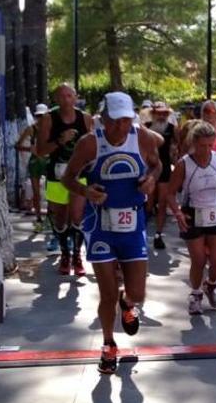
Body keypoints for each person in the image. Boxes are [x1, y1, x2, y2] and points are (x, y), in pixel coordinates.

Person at [61, 91, 162, 375]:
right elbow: (67, 177)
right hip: (100, 226)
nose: (120, 127)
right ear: (103, 118)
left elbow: (157, 164)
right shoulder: (90, 143)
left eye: (126, 120)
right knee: (106, 293)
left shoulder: (142, 137)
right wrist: (85, 190)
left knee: (138, 292)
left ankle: (128, 304)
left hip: (133, 225)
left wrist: (151, 179)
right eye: (115, 121)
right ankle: (108, 344)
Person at [167, 120, 216, 315]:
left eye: (209, 145)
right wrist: (178, 212)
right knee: (198, 260)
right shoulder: (184, 164)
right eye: (201, 145)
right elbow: (170, 193)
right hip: (193, 212)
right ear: (193, 143)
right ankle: (196, 293)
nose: (206, 150)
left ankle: (211, 284)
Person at [36, 84, 94, 275]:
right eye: (62, 96)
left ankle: (77, 255)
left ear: (76, 97)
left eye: (70, 95)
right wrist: (60, 141)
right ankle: (65, 253)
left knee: (77, 215)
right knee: (60, 219)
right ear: (56, 99)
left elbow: (94, 148)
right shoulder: (48, 119)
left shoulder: (85, 118)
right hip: (57, 175)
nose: (67, 100)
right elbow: (40, 151)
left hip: (79, 175)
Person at [145, 102, 178, 250]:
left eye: (165, 113)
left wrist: (177, 163)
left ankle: (158, 234)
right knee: (149, 203)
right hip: (149, 168)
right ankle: (142, 232)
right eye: (159, 113)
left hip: (164, 168)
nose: (162, 116)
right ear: (153, 114)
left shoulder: (172, 129)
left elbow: (179, 145)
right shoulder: (145, 127)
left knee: (163, 203)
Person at [15, 103, 50, 231]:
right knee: (36, 193)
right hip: (35, 162)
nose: (40, 119)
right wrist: (29, 149)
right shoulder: (31, 129)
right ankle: (39, 218)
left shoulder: (52, 129)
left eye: (43, 116)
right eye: (38, 116)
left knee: (51, 192)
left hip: (48, 161)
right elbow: (17, 146)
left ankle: (50, 218)